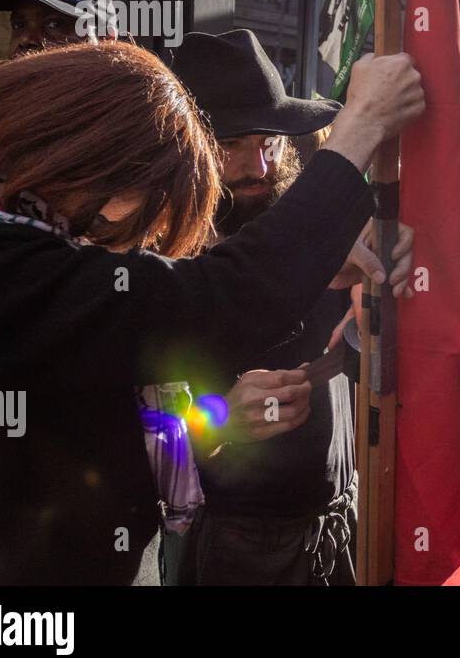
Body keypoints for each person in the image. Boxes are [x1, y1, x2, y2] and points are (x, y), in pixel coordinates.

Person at [0, 41, 424, 584]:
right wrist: (365, 124)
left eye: (270, 143)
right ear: (91, 160)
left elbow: (91, 415)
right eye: (152, 197)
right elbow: (212, 301)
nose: (145, 232)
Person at [163, 30, 414, 586]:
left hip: (336, 530)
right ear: (188, 152)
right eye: (231, 146)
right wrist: (220, 417)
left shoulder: (316, 234)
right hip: (240, 551)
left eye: (268, 142)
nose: (257, 166)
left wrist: (386, 265)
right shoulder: (165, 269)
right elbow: (134, 440)